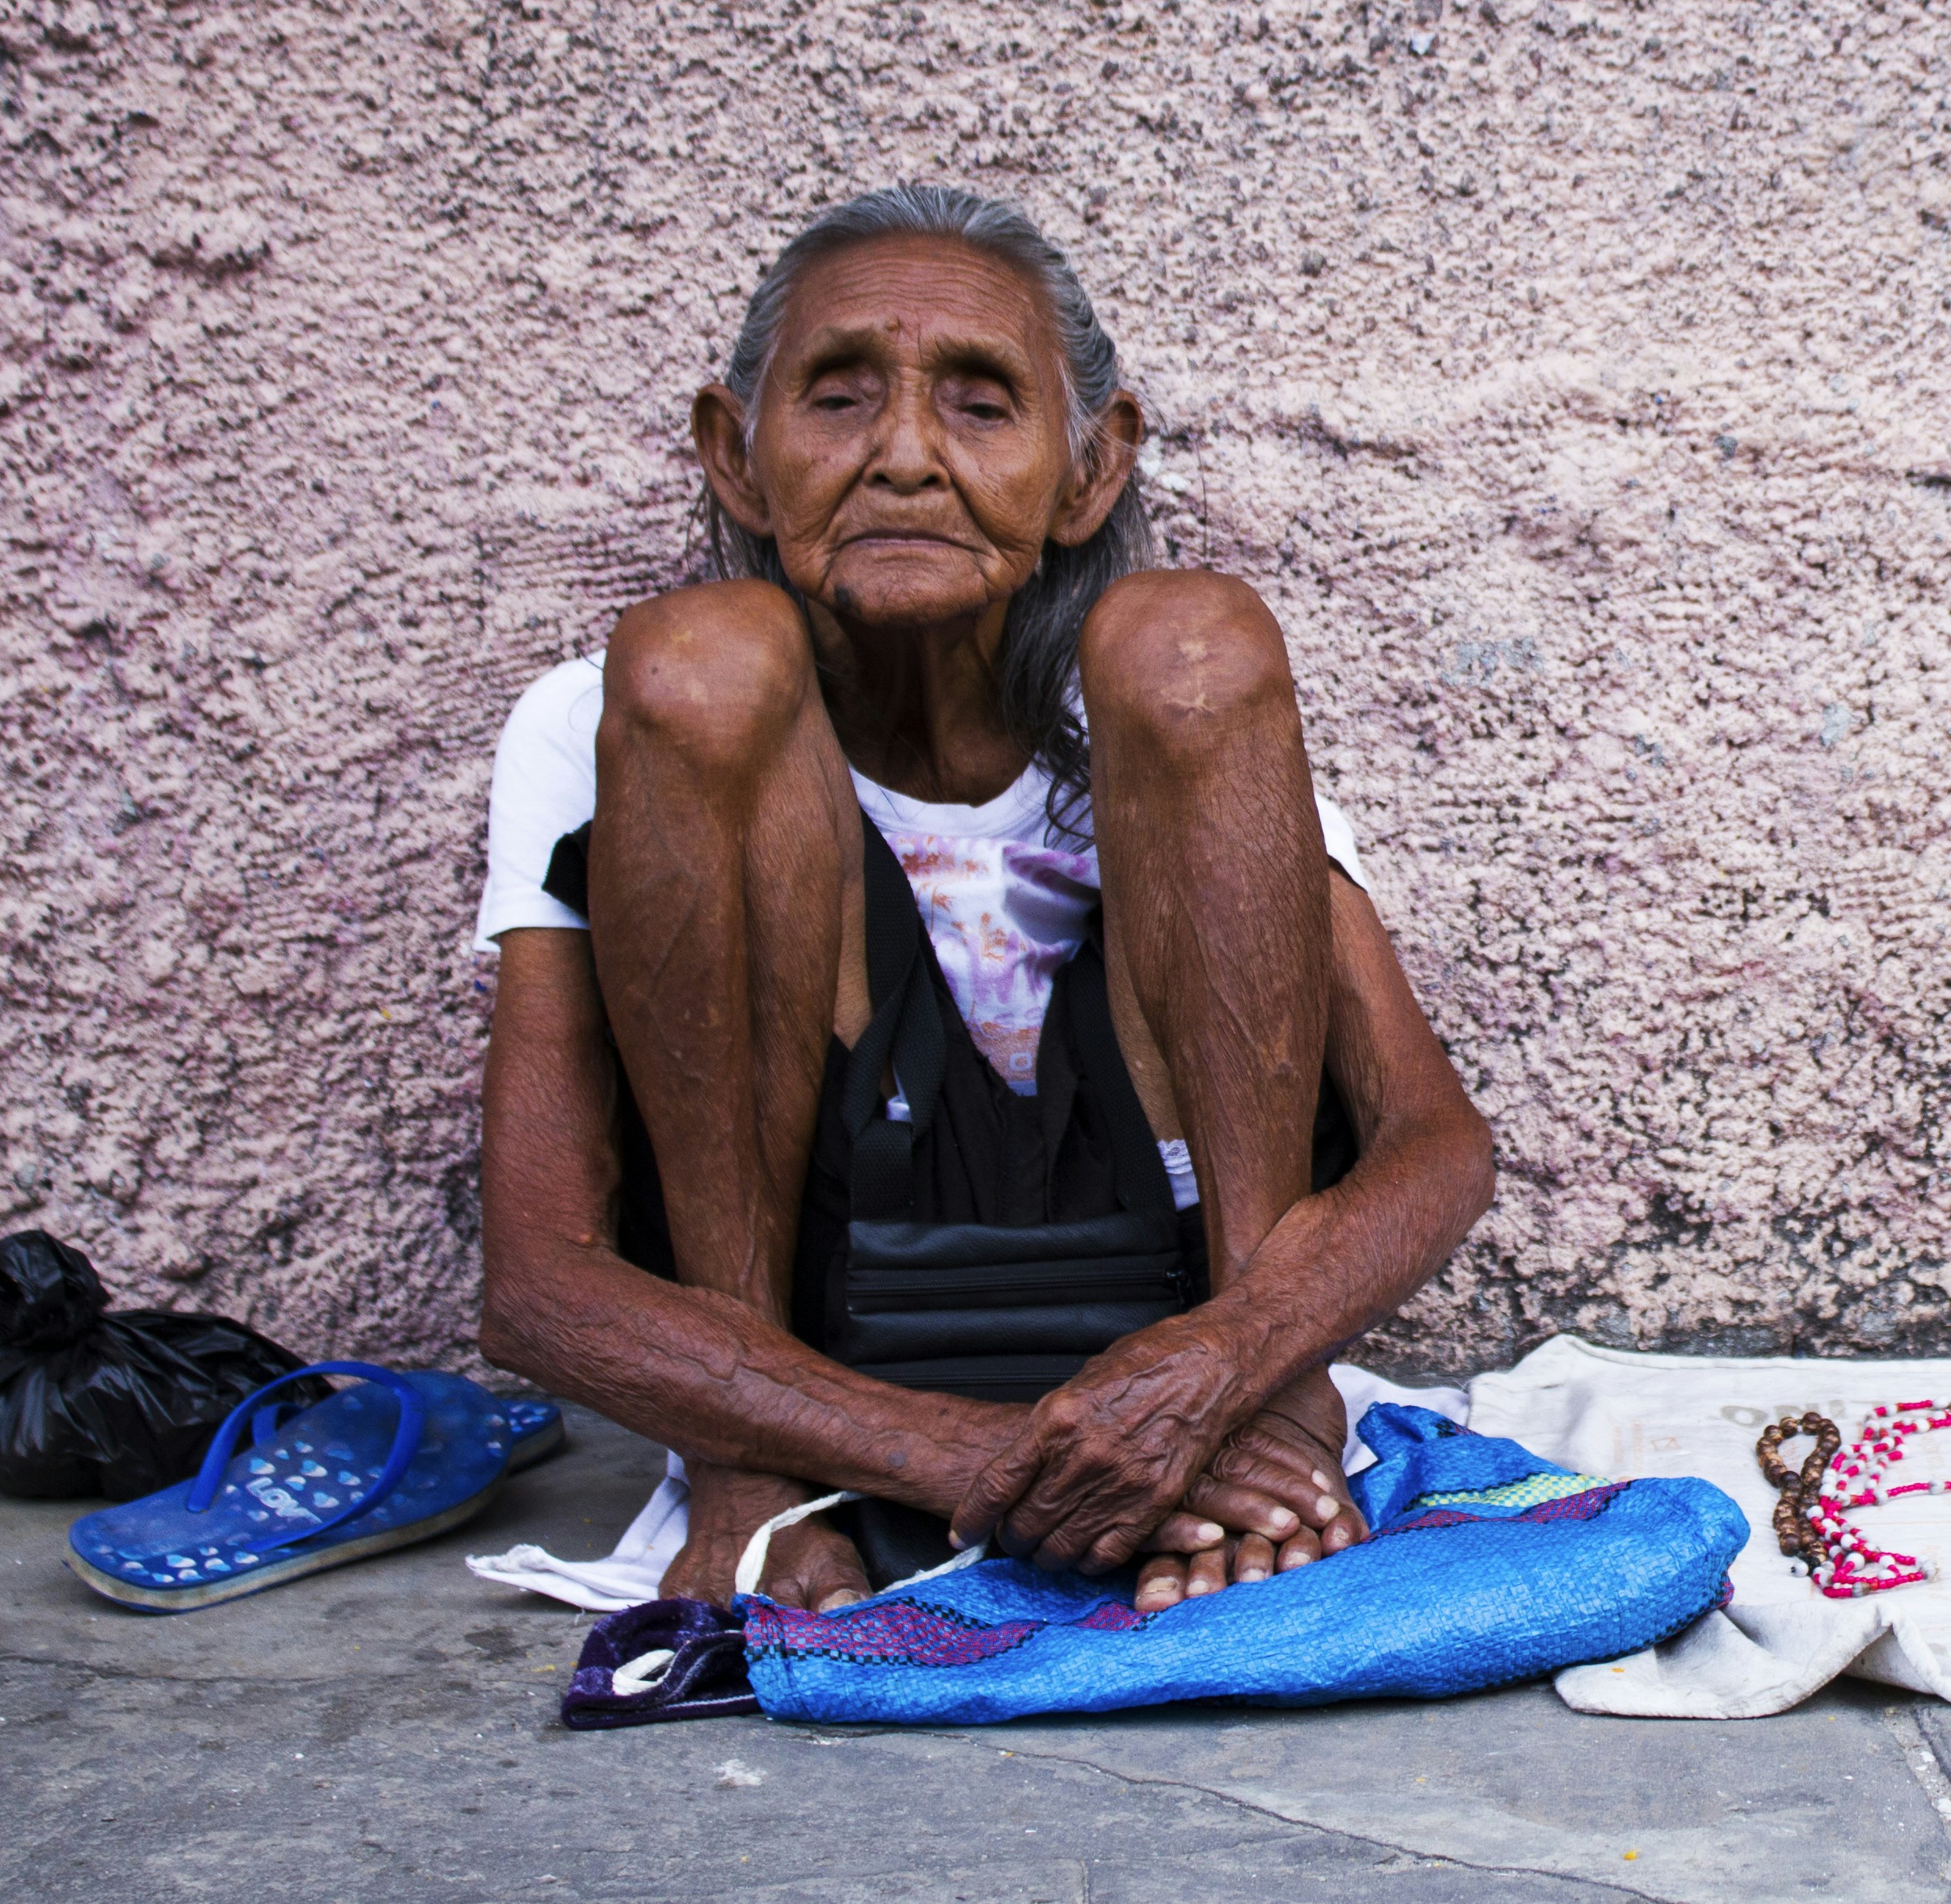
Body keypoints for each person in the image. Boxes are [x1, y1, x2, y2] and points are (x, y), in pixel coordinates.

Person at [471, 183, 1494, 1614]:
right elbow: (537, 1281)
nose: (902, 459)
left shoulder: (1162, 713)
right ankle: (750, 1473)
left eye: (981, 405)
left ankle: (1268, 1416)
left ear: (1092, 468)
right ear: (735, 454)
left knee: (1194, 634)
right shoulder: (605, 719)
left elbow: (1433, 1144)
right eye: (835, 401)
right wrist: (980, 1461)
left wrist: (1232, 1366)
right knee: (698, 661)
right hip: (813, 1348)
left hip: (1178, 1320)